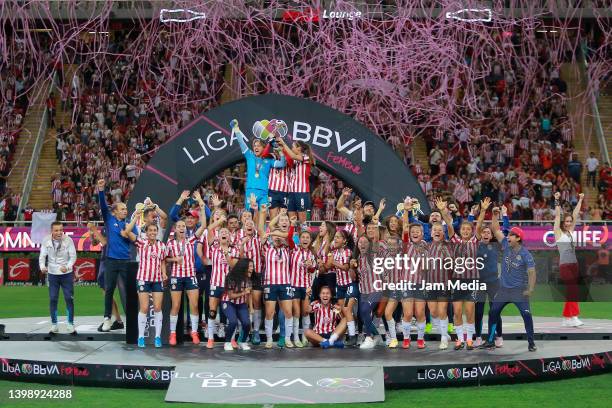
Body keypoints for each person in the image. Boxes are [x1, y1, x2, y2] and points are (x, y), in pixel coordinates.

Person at [482, 221, 537, 352]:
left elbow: (532, 272)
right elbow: (496, 230)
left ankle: (531, 342)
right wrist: (495, 216)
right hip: (503, 290)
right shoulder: (506, 245)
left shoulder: (526, 254)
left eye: (511, 235)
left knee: (526, 315)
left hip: (519, 291)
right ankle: (490, 340)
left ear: (518, 238)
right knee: (493, 312)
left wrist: (530, 289)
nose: (508, 237)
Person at [165, 192, 207, 346]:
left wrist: (201, 205)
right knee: (175, 306)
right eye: (179, 226)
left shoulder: (191, 240)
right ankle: (173, 334)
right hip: (176, 276)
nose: (182, 228)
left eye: (184, 226)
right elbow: (164, 259)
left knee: (194, 305)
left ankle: (194, 332)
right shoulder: (170, 243)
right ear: (175, 229)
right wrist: (174, 259)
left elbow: (203, 225)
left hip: (190, 276)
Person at [97, 178, 138, 332]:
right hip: (111, 261)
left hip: (126, 262)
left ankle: (133, 320)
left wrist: (128, 234)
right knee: (109, 290)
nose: (125, 211)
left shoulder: (129, 225)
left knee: (130, 292)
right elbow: (102, 205)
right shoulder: (109, 220)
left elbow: (135, 241)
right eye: (122, 209)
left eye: (126, 209)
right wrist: (101, 191)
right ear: (115, 211)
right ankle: (107, 318)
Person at [124, 212, 168, 348]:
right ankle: (141, 337)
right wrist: (136, 218)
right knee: (143, 307)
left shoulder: (161, 246)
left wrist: (164, 273)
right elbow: (127, 231)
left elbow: (162, 261)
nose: (153, 232)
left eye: (155, 230)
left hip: (157, 280)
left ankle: (157, 337)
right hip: (143, 278)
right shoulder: (141, 243)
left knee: (157, 307)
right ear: (146, 232)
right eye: (151, 230)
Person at [230, 119, 286, 214]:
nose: (256, 147)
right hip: (251, 191)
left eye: (259, 146)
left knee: (262, 218)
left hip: (264, 192)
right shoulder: (250, 156)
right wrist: (236, 129)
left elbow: (282, 164)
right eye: (254, 146)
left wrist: (279, 150)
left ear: (264, 148)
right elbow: (241, 142)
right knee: (249, 216)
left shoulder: (269, 160)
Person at [39, 221, 77, 334]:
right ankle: (54, 325)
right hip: (52, 274)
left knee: (69, 298)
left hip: (66, 274)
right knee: (53, 299)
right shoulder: (46, 240)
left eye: (61, 230)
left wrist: (68, 266)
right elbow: (42, 256)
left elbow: (73, 256)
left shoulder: (68, 240)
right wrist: (42, 266)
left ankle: (70, 324)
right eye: (56, 230)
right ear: (52, 231)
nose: (59, 232)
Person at [554, 191, 585, 327]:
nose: (568, 223)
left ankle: (569, 318)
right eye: (566, 221)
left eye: (570, 221)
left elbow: (575, 214)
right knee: (572, 290)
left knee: (574, 290)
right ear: (563, 222)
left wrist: (580, 200)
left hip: (574, 265)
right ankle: (571, 316)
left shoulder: (571, 231)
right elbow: (556, 216)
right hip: (565, 266)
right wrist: (557, 201)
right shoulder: (558, 233)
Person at [88, 223, 124, 332]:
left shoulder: (117, 227)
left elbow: (106, 243)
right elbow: (96, 243)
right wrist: (91, 235)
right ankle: (118, 321)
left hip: (113, 261)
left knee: (109, 292)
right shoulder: (106, 227)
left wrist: (94, 230)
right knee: (106, 292)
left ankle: (110, 319)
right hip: (105, 260)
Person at [277, 136, 315, 229]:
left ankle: (305, 239)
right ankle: (293, 240)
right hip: (291, 193)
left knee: (303, 221)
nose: (292, 148)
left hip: (301, 192)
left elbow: (293, 155)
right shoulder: (294, 160)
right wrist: (281, 148)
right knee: (292, 220)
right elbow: (288, 156)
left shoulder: (305, 157)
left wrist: (284, 143)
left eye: (293, 146)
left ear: (299, 148)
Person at [290, 230, 317, 347]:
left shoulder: (312, 254)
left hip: (306, 287)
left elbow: (313, 270)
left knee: (305, 312)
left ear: (310, 241)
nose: (305, 239)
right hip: (294, 285)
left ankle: (305, 337)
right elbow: (289, 239)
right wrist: (291, 225)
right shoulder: (294, 250)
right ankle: (296, 338)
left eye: (307, 238)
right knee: (296, 312)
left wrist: (310, 266)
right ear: (299, 239)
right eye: (303, 237)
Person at [221, 258, 254, 351]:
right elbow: (230, 296)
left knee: (247, 323)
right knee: (233, 322)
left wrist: (250, 307)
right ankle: (227, 342)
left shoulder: (249, 278)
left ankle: (243, 342)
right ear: (244, 267)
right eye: (250, 266)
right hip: (228, 302)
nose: (252, 269)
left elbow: (249, 293)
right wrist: (243, 292)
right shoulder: (231, 277)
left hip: (241, 303)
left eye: (252, 266)